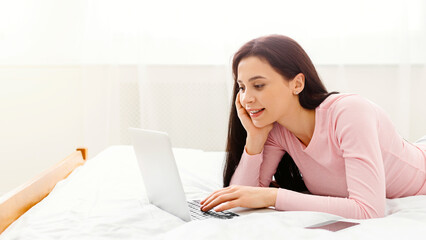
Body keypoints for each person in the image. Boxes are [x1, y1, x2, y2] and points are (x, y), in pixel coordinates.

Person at [199, 34, 426, 219]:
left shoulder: (349, 112)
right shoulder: (276, 131)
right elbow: (239, 198)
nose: (246, 99)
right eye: (242, 87)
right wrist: (255, 139)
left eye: (258, 85)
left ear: (297, 84)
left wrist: (272, 197)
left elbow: (368, 210)